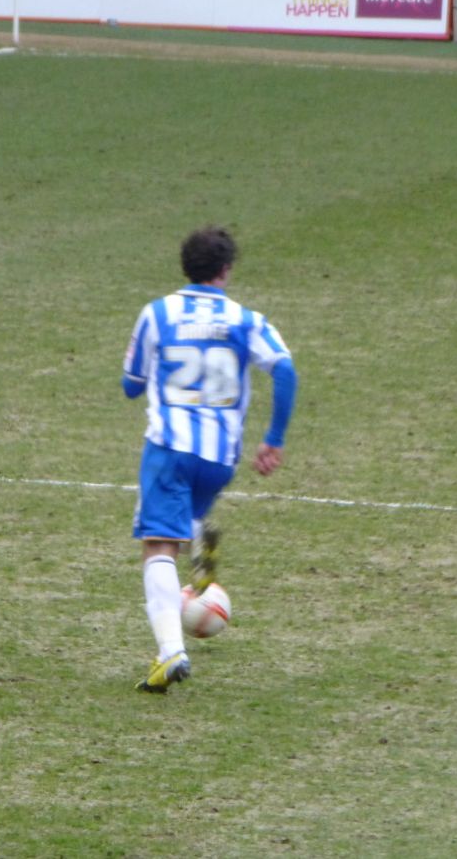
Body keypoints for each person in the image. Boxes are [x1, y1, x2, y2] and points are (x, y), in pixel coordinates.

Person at [122, 226, 297, 693]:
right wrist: (273, 438)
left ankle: (170, 653)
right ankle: (199, 555)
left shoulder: (156, 314)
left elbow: (130, 385)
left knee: (158, 546)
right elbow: (284, 369)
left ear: (186, 268)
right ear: (226, 270)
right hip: (221, 456)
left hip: (170, 447)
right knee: (187, 516)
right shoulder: (245, 319)